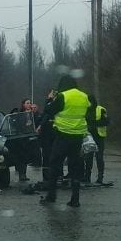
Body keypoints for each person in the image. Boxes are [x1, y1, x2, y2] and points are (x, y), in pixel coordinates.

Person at [41, 75, 96, 208]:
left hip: (62, 135)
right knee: (75, 167)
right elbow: (92, 107)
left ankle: (51, 195)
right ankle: (75, 199)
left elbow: (49, 110)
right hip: (78, 137)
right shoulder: (84, 96)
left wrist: (49, 100)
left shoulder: (63, 96)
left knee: (54, 164)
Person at [83, 96, 109, 186]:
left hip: (99, 136)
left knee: (99, 158)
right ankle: (87, 177)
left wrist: (94, 123)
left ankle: (100, 178)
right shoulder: (85, 110)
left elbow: (106, 121)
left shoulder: (101, 109)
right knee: (88, 158)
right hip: (89, 137)